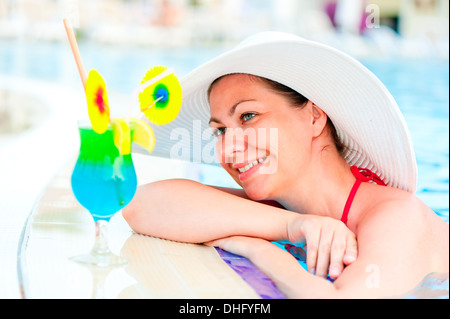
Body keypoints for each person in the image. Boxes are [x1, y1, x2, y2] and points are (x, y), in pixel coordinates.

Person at [123, 32, 449, 298]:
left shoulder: (397, 217)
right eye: (220, 130)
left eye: (248, 116)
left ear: (314, 117)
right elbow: (140, 205)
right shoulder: (280, 209)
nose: (228, 148)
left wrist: (262, 251)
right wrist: (295, 226)